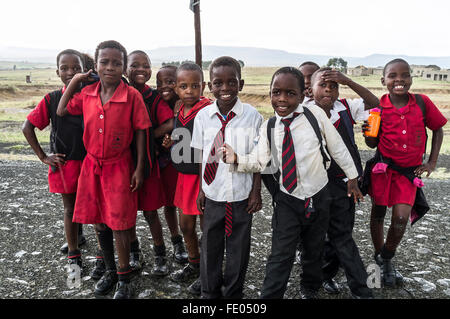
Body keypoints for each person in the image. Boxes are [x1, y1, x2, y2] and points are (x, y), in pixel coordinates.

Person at [222, 66, 363, 299]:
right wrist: (236, 159)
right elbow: (259, 161)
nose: (282, 99)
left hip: (319, 194)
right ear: (270, 93)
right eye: (276, 92)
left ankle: (310, 288)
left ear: (302, 95)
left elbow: (337, 147)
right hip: (288, 199)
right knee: (280, 254)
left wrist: (353, 177)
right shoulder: (269, 127)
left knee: (314, 249)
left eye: (290, 93)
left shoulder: (314, 115)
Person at [57, 40, 151, 299]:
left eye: (117, 63)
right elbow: (62, 109)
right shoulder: (87, 93)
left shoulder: (131, 96)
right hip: (92, 166)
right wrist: (76, 80)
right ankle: (109, 270)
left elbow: (142, 130)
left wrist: (139, 168)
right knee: (99, 222)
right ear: (95, 66)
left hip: (119, 166)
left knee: (119, 223)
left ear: (123, 67)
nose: (110, 67)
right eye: (104, 62)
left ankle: (124, 278)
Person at [363, 58, 446, 287]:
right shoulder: (377, 109)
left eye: (404, 75)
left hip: (409, 174)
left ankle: (386, 256)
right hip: (383, 170)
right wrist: (368, 135)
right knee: (378, 213)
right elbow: (371, 144)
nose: (399, 79)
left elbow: (438, 129)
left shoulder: (422, 102)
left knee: (400, 218)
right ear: (384, 81)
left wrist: (432, 162)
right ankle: (381, 259)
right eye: (392, 76)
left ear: (411, 78)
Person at [190, 56, 263, 299]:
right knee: (210, 246)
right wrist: (201, 190)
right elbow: (202, 156)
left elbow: (258, 157)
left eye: (231, 82)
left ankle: (233, 293)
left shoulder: (252, 116)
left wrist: (255, 191)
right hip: (213, 193)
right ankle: (209, 292)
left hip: (242, 195)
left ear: (240, 84)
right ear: (210, 86)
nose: (224, 89)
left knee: (238, 249)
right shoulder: (202, 117)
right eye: (217, 83)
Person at [307, 67, 378, 298]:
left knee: (342, 233)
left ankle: (331, 277)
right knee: (320, 236)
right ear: (310, 90)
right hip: (316, 184)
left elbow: (374, 102)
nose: (329, 89)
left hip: (347, 183)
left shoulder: (346, 107)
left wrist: (347, 80)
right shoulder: (305, 112)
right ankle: (320, 282)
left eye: (334, 86)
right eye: (323, 85)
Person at [22, 49, 87, 272]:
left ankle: (80, 238)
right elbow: (27, 126)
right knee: (70, 208)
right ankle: (73, 253)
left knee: (91, 206)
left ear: (84, 70)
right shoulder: (52, 99)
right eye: (65, 68)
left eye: (76, 68)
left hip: (90, 163)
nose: (71, 72)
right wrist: (43, 156)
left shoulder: (93, 95)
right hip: (65, 163)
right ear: (57, 71)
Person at [125, 50, 187, 277]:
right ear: (125, 68)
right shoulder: (118, 92)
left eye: (145, 65)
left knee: (153, 211)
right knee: (126, 213)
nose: (140, 69)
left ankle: (163, 250)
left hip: (150, 162)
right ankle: (134, 251)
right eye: (135, 65)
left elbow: (170, 121)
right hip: (122, 163)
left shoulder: (153, 98)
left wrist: (146, 135)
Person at [162, 62, 212, 295]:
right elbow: (185, 136)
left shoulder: (208, 109)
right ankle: (194, 263)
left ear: (202, 86)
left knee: (206, 229)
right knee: (186, 226)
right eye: (183, 86)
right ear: (176, 88)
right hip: (184, 177)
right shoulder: (179, 109)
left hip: (202, 178)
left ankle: (208, 273)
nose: (189, 90)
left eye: (195, 85)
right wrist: (172, 141)